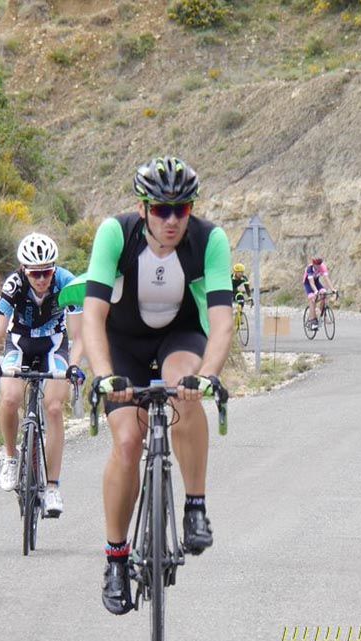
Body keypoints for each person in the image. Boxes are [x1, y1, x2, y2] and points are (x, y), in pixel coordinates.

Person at [83, 156, 234, 615]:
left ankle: (195, 505)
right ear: (142, 207)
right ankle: (115, 559)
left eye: (182, 210)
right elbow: (93, 315)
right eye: (161, 210)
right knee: (128, 442)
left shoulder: (210, 240)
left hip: (179, 336)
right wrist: (105, 374)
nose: (172, 220)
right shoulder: (116, 234)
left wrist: (208, 376)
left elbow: (223, 321)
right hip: (123, 341)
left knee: (185, 390)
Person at [0, 233, 85, 517]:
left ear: (55, 268)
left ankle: (52, 487)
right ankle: (11, 457)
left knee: (53, 408)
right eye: (35, 273)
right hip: (21, 343)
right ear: (23, 271)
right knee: (10, 399)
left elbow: (79, 337)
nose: (42, 279)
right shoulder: (13, 286)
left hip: (54, 344)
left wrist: (74, 367)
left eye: (47, 272)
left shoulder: (67, 283)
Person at [302, 255, 336, 329]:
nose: (318, 267)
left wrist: (333, 289)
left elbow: (327, 279)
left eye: (319, 265)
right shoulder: (309, 269)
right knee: (312, 298)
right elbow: (311, 283)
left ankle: (320, 313)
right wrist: (316, 291)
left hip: (316, 282)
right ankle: (312, 320)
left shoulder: (322, 267)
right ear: (313, 264)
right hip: (308, 283)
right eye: (316, 265)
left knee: (324, 293)